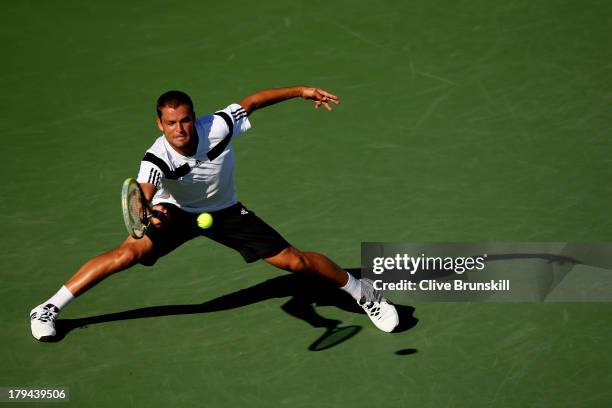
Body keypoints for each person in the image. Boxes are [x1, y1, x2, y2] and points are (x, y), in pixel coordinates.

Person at [30, 85, 399, 341]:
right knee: (127, 253)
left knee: (296, 263)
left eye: (185, 120)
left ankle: (361, 291)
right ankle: (48, 308)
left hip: (225, 211)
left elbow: (253, 101)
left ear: (194, 116)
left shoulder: (218, 126)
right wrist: (147, 213)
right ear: (160, 124)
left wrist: (302, 91)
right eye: (171, 123)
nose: (180, 129)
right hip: (176, 211)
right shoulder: (156, 157)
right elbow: (143, 193)